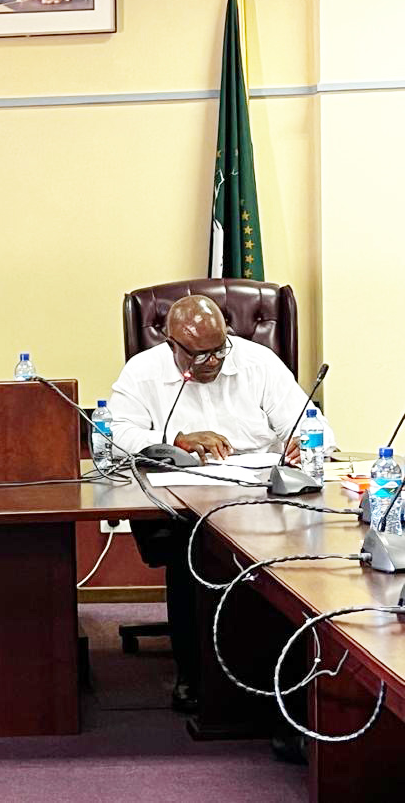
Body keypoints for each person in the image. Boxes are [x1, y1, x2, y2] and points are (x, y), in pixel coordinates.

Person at [108, 295, 335, 714]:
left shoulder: (257, 362)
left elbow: (312, 425)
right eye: (199, 354)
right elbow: (114, 436)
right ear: (171, 343)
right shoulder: (143, 371)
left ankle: (283, 675)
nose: (212, 361)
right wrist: (174, 439)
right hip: (183, 499)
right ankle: (194, 675)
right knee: (192, 551)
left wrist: (305, 444)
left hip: (261, 494)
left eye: (219, 349)